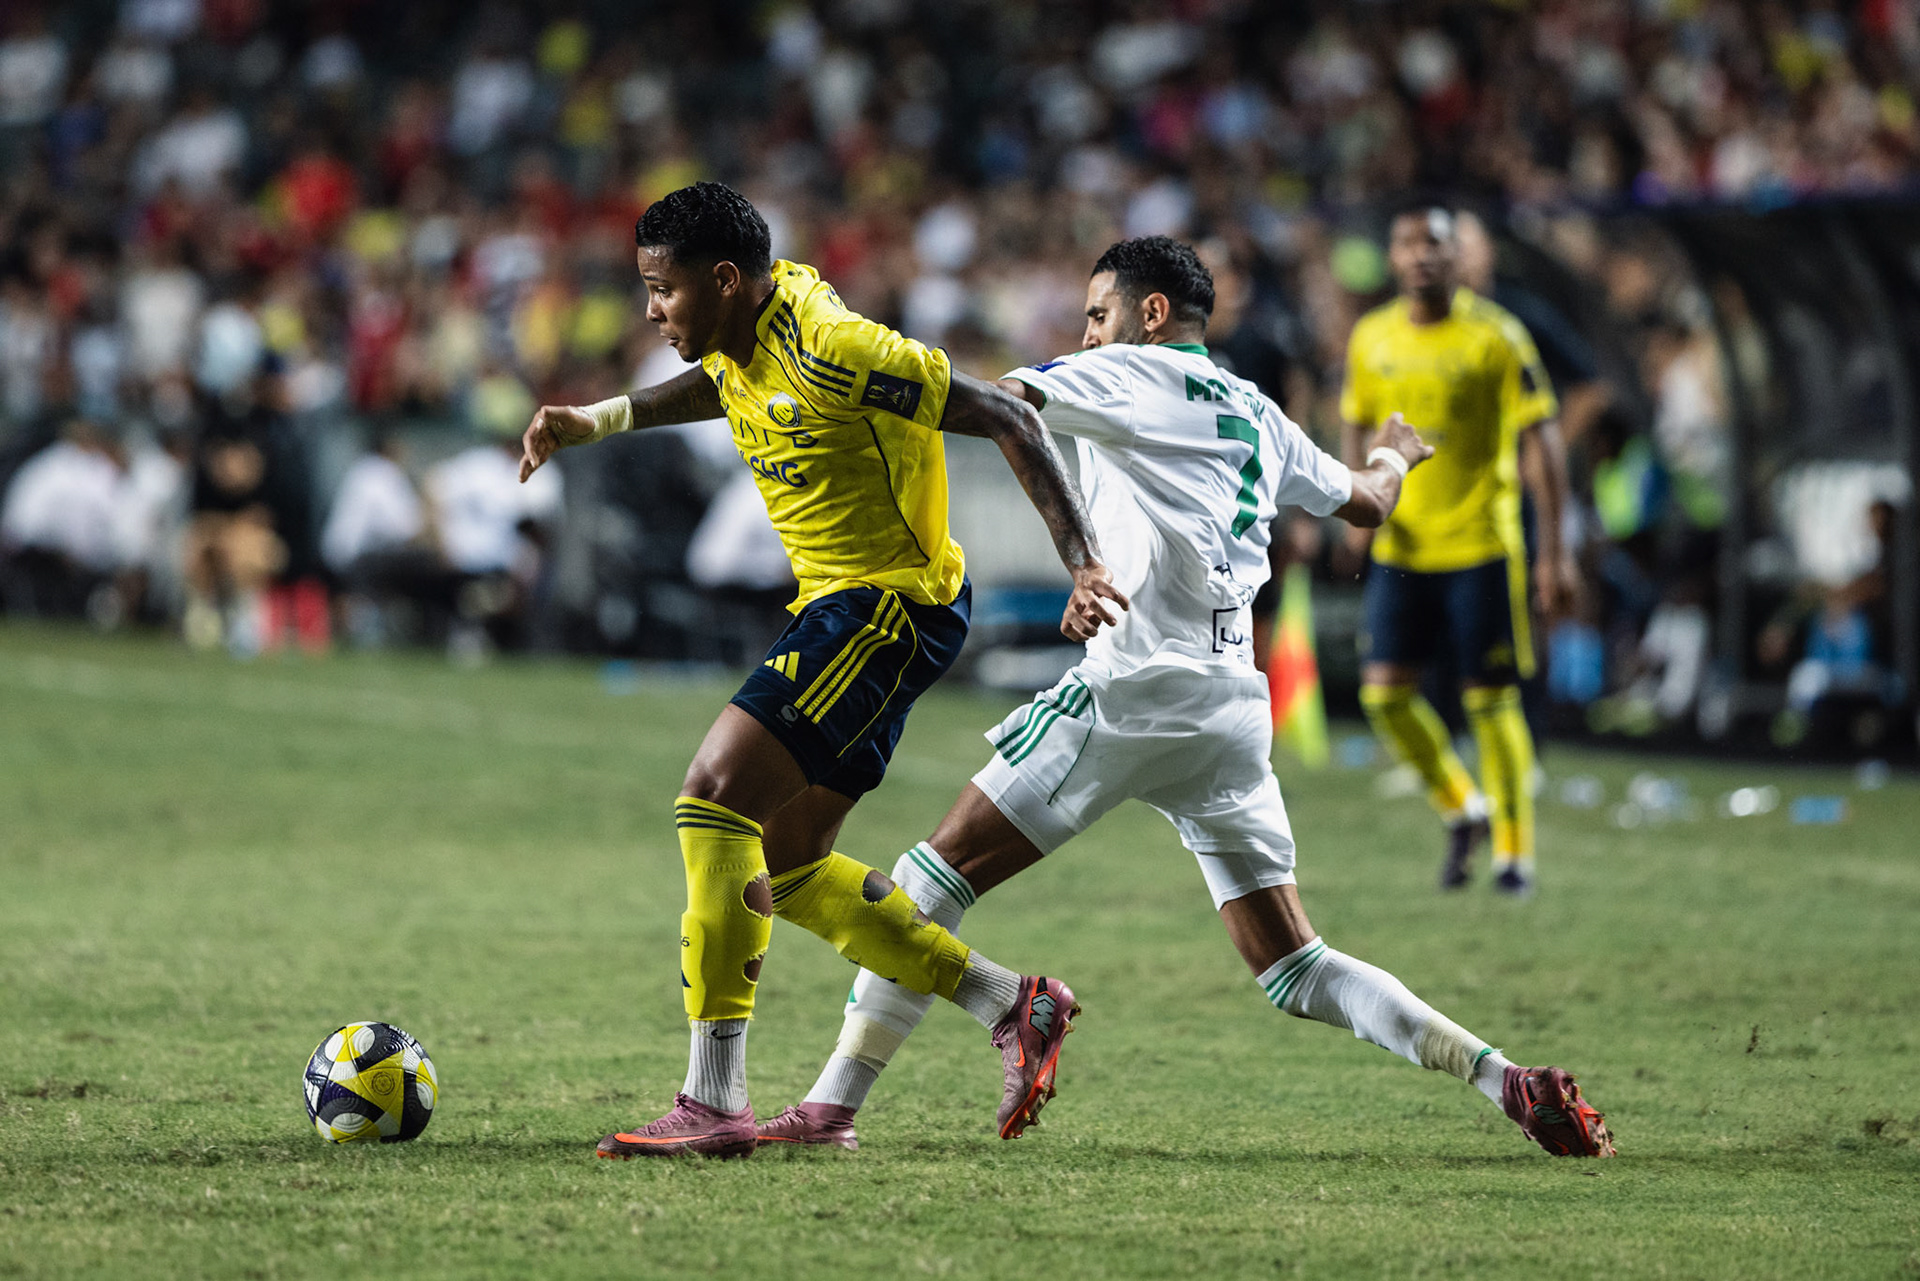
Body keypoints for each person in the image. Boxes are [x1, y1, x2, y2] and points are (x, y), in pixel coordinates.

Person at [755, 236, 1614, 1160]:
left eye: (1097, 316)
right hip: (1231, 708)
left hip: (1134, 687)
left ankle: (838, 1101)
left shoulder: (1127, 374)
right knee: (1294, 965)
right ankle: (1507, 1080)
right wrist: (1397, 453)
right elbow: (1367, 501)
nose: (1087, 340)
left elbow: (1002, 404)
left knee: (929, 881)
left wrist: (845, 379)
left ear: (1149, 312)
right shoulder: (1258, 410)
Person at [517, 182, 1127, 1158]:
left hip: (885, 603)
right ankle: (1015, 1004)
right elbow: (720, 379)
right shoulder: (739, 335)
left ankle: (713, 1101)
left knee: (714, 798)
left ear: (723, 280)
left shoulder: (837, 349)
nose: (650, 310)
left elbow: (1009, 417)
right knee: (793, 870)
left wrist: (1085, 563)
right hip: (851, 605)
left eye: (661, 290)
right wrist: (602, 418)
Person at [1341, 206, 1576, 896]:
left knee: (1491, 701)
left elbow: (1544, 436)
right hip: (1404, 542)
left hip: (1481, 543)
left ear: (1457, 257)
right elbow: (1355, 421)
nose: (1421, 257)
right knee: (1383, 696)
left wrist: (1555, 551)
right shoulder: (1371, 337)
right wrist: (1356, 502)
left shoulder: (1497, 336)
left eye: (1434, 245)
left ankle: (1513, 854)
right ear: (1392, 257)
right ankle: (1461, 804)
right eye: (1408, 243)